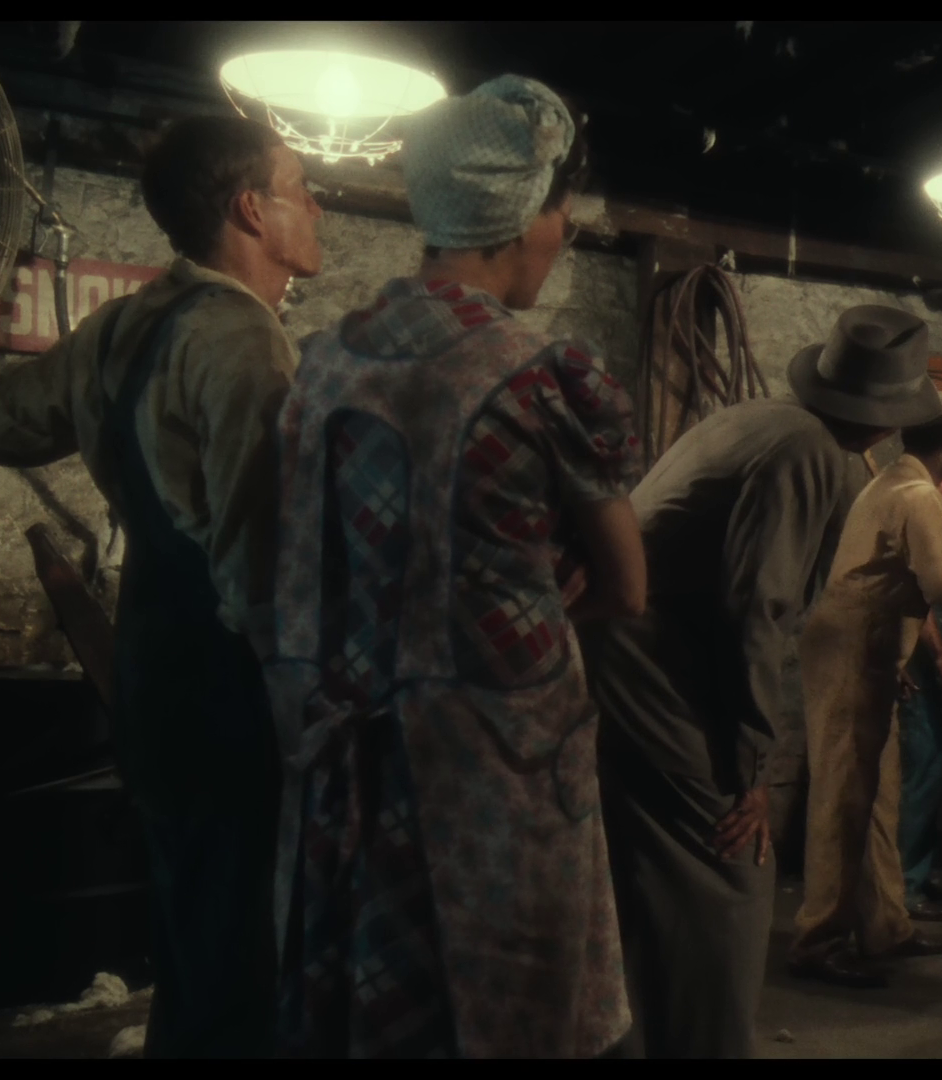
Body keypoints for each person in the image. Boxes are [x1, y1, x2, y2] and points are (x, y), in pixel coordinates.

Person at [261, 75, 643, 1057]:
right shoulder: (538, 373)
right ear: (524, 217)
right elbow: (626, 585)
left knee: (384, 1011)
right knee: (514, 1008)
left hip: (355, 758)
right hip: (497, 763)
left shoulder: (325, 364)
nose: (564, 231)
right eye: (559, 210)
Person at [0, 114, 322, 1057]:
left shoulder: (118, 325)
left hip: (151, 667)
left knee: (190, 933)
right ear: (252, 210)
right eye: (303, 191)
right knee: (242, 954)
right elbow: (259, 561)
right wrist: (305, 713)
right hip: (226, 685)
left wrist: (113, 434)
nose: (317, 209)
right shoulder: (245, 339)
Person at [582, 305, 942, 1057]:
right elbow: (757, 609)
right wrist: (748, 769)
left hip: (621, 654)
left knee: (650, 873)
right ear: (885, 420)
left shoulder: (758, 418)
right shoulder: (807, 452)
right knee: (734, 870)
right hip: (658, 665)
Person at [789, 391, 942, 988]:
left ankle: (884, 924)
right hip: (852, 646)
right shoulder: (919, 495)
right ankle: (819, 938)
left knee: (878, 794)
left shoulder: (891, 480)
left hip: (864, 643)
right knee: (843, 796)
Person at [897, 474, 942, 923]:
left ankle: (916, 871)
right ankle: (906, 882)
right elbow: (919, 601)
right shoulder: (921, 520)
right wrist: (941, 656)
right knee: (925, 766)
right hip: (917, 662)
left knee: (931, 766)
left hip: (921, 659)